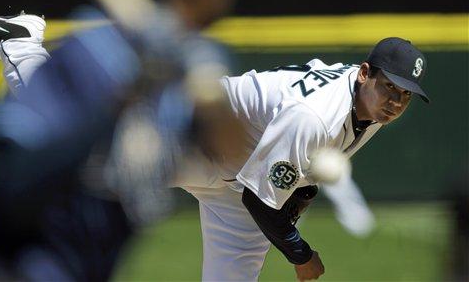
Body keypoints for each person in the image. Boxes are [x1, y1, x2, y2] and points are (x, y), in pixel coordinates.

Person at [0, 0, 253, 280]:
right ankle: (18, 45)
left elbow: (235, 152)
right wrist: (121, 104)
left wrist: (207, 85)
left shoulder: (195, 67)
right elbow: (10, 192)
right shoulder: (92, 54)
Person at [173, 37, 429, 281]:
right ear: (364, 73)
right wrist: (301, 255)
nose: (396, 101)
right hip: (195, 130)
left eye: (406, 94)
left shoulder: (373, 106)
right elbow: (259, 202)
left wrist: (301, 184)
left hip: (241, 174)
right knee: (133, 200)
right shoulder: (314, 116)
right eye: (390, 86)